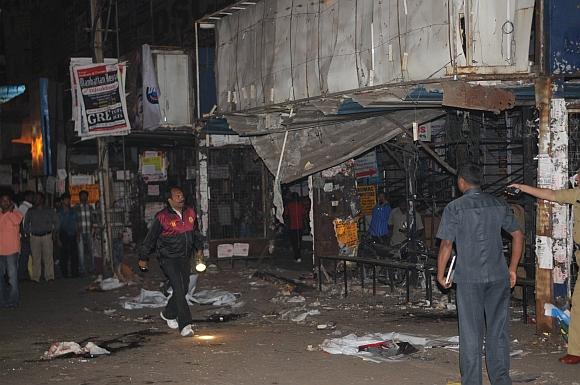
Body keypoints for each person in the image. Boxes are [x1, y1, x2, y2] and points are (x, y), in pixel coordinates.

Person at [437, 164, 524, 385]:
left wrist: (441, 273)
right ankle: (501, 380)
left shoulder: (454, 208)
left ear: (462, 182)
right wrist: (512, 268)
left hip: (468, 278)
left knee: (471, 334)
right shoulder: (498, 204)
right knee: (498, 331)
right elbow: (518, 235)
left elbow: (446, 244)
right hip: (498, 276)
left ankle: (472, 382)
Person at [509, 176, 580, 365]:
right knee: (578, 305)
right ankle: (576, 350)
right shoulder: (576, 194)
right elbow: (551, 195)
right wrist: (522, 187)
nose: (576, 179)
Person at [139, 186, 203, 337]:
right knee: (179, 289)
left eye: (182, 195)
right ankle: (185, 324)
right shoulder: (162, 217)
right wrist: (143, 257)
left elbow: (195, 233)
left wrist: (199, 248)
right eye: (177, 196)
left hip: (184, 257)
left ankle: (168, 313)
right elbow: (150, 239)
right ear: (170, 200)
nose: (181, 198)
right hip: (168, 258)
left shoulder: (190, 212)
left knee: (185, 286)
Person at [24, 193, 59, 282]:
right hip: (35, 237)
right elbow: (26, 223)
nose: (36, 199)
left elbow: (57, 222)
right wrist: (28, 234)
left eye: (38, 198)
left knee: (48, 257)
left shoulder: (49, 210)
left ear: (42, 200)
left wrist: (54, 233)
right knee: (35, 258)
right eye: (35, 198)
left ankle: (50, 276)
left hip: (47, 235)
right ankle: (36, 277)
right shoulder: (30, 211)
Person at [0, 191, 23, 308]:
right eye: (3, 200)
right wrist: (7, 212)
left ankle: (13, 300)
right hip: (0, 251)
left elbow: (16, 221)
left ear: (11, 202)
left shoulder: (17, 213)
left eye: (7, 201)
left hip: (12, 251)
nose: (5, 202)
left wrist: (9, 211)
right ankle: (2, 300)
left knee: (12, 278)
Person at [57, 193, 79, 278]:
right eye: (66, 199)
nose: (68, 201)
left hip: (72, 234)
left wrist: (78, 234)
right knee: (64, 256)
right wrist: (58, 239)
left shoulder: (73, 211)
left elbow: (76, 223)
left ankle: (75, 273)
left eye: (69, 199)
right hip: (63, 235)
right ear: (62, 201)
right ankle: (65, 274)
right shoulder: (59, 213)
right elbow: (57, 227)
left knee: (74, 255)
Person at [17, 190, 35, 280]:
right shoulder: (23, 207)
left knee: (28, 256)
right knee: (25, 256)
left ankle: (26, 274)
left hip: (29, 235)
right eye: (32, 196)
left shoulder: (29, 207)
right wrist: (24, 234)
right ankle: (21, 275)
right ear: (27, 197)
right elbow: (20, 222)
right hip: (26, 236)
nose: (33, 198)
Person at [75, 190, 94, 274]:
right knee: (81, 252)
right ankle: (82, 269)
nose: (83, 197)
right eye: (82, 196)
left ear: (87, 197)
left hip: (89, 232)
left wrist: (93, 230)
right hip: (80, 232)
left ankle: (92, 268)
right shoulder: (76, 208)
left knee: (91, 251)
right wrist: (77, 233)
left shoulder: (90, 207)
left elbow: (93, 220)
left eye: (85, 196)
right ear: (79, 197)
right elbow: (74, 221)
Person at [284, 192, 306, 263]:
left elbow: (286, 215)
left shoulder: (289, 205)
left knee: (294, 242)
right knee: (298, 242)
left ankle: (297, 256)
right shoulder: (300, 205)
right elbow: (304, 214)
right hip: (299, 226)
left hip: (293, 227)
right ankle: (298, 256)